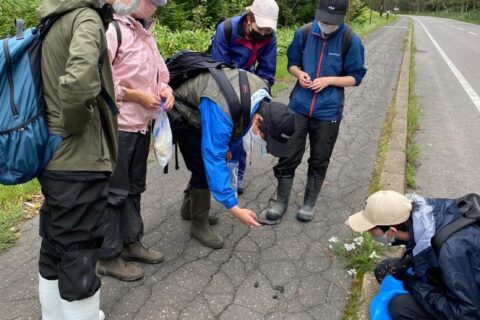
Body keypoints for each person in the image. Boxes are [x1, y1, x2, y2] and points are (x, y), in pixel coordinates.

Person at [37, 0, 141, 318]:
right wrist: (76, 126)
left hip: (55, 159)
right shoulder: (86, 18)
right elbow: (77, 85)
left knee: (55, 247)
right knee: (80, 256)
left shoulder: (57, 16)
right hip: (79, 162)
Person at [171, 68, 295, 249]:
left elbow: (240, 119)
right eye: (265, 138)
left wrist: (226, 145)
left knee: (211, 159)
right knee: (203, 167)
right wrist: (235, 209)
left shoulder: (261, 95)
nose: (264, 144)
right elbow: (213, 158)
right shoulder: (224, 110)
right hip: (184, 111)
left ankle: (189, 208)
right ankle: (198, 224)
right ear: (259, 119)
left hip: (208, 107)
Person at [266, 0, 367, 222]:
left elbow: (356, 76)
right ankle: (281, 202)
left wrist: (330, 80)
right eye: (323, 20)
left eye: (332, 21)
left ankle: (309, 203)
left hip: (328, 110)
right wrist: (298, 74)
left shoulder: (350, 39)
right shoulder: (303, 32)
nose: (326, 24)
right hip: (299, 106)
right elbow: (292, 63)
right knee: (288, 153)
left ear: (342, 18)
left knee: (320, 158)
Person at [97, 0, 174, 282]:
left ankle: (132, 243)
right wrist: (135, 96)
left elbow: (161, 75)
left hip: (142, 126)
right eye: (152, 2)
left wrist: (165, 90)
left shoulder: (146, 33)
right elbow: (99, 79)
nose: (156, 7)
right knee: (114, 192)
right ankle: (108, 256)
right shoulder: (112, 30)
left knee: (134, 187)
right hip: (118, 126)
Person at [346, 190, 480, 320]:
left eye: (371, 230)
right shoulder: (423, 213)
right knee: (383, 269)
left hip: (469, 305)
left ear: (392, 231)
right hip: (465, 273)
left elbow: (466, 313)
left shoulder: (450, 251)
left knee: (399, 307)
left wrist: (415, 286)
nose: (369, 233)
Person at [210, 0, 279, 195]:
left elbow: (266, 71)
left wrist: (260, 99)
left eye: (269, 30)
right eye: (262, 28)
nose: (265, 33)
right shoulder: (227, 29)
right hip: (222, 81)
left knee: (240, 133)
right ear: (249, 18)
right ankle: (213, 175)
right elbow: (218, 68)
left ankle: (235, 177)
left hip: (248, 83)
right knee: (221, 133)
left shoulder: (269, 37)